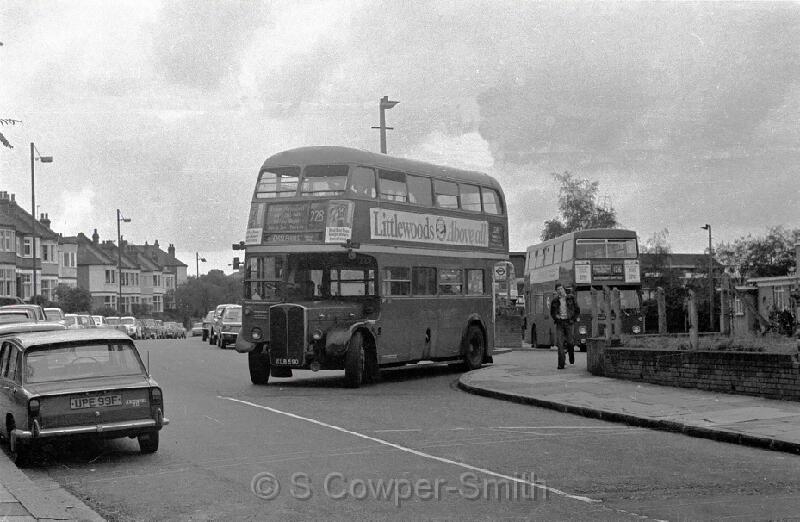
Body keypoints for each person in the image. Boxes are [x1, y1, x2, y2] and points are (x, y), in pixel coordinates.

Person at [549, 283, 580, 369]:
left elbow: (577, 310)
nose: (560, 291)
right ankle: (561, 364)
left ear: (564, 289)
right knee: (560, 344)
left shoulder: (571, 298)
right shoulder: (555, 301)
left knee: (570, 342)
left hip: (569, 323)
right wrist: (556, 316)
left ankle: (571, 356)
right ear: (556, 291)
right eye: (558, 289)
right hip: (560, 323)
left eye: (561, 289)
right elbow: (552, 313)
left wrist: (573, 319)